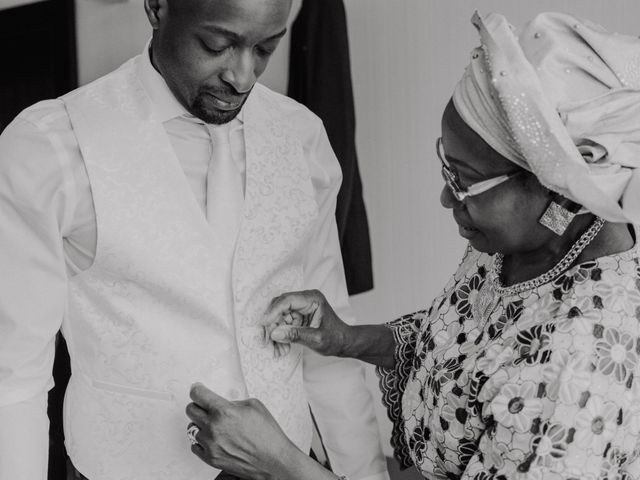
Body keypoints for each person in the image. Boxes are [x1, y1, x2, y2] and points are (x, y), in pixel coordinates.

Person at [184, 11, 640, 480]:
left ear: (562, 192)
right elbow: (472, 347)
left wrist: (280, 464)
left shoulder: (579, 372)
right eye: (447, 168)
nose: (447, 197)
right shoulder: (536, 242)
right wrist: (348, 339)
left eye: (464, 183)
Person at [0, 1, 390, 479]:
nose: (243, 76)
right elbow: (13, 374)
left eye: (266, 47)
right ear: (158, 6)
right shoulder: (53, 146)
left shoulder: (304, 138)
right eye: (216, 45)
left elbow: (328, 338)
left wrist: (366, 473)